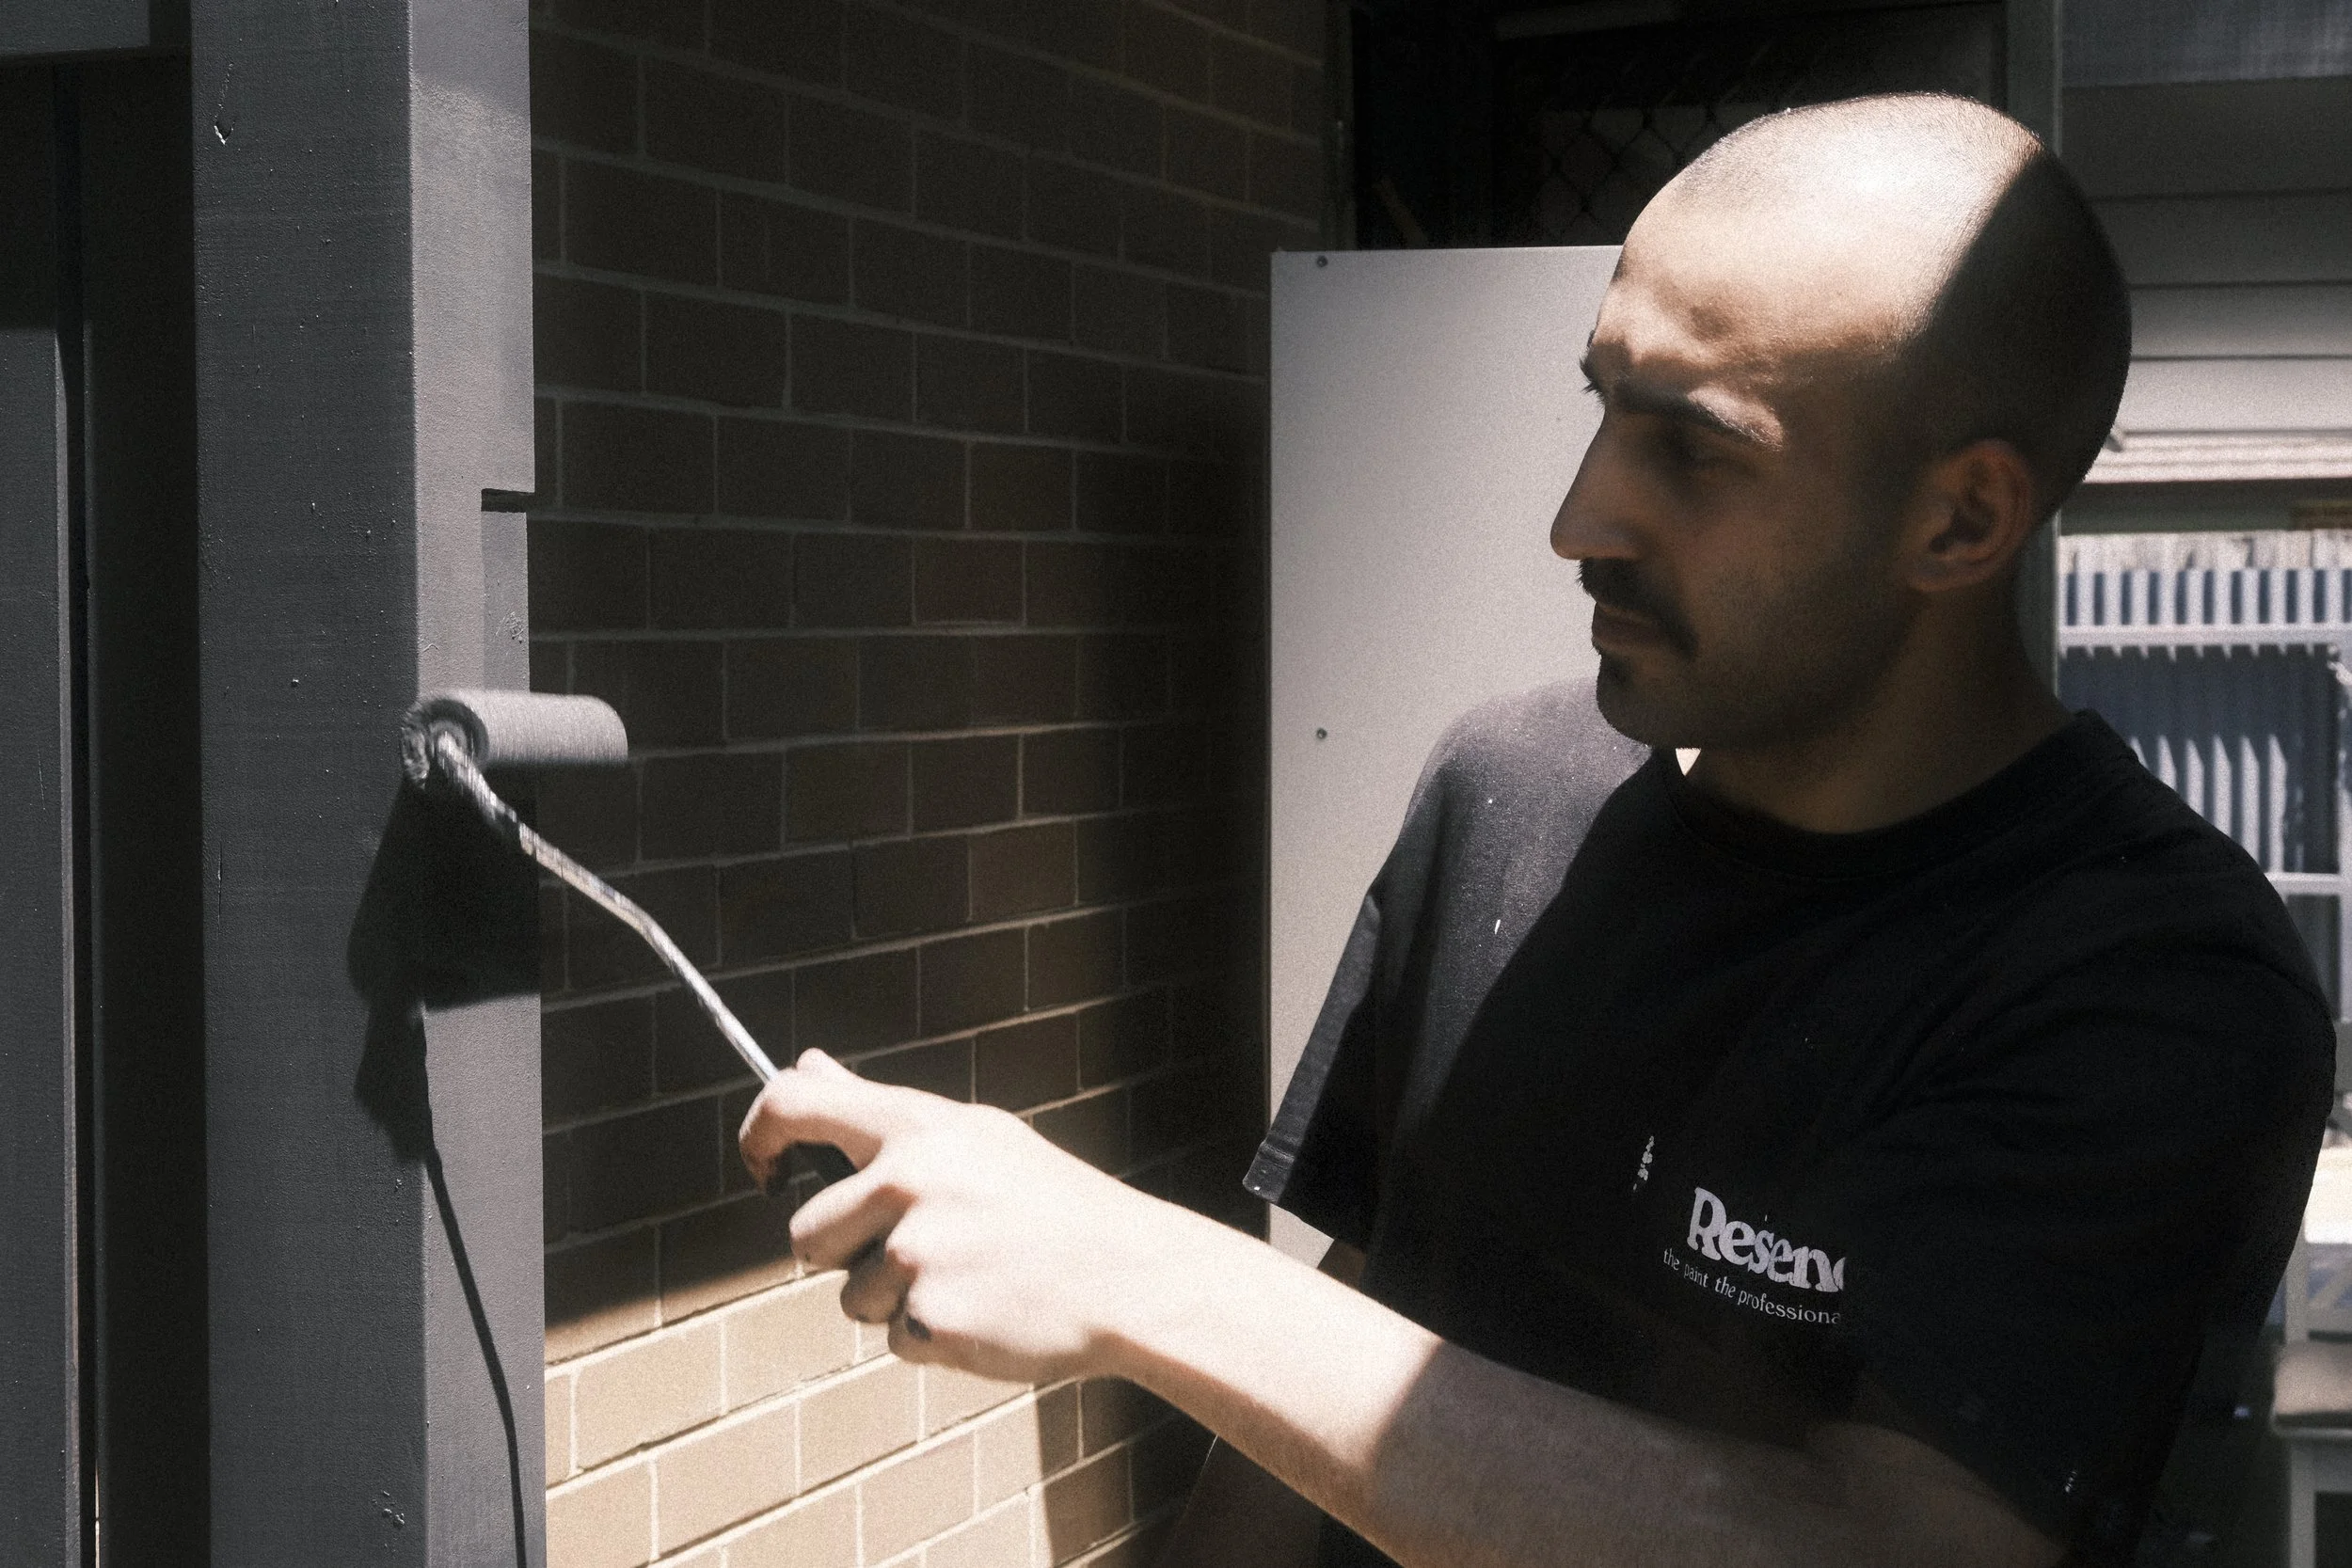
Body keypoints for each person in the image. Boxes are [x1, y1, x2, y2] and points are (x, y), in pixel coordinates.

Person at [738, 93, 2333, 1567]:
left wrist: (1141, 1275)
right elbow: (1373, 1294)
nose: (1579, 517)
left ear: (1962, 518)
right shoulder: (1507, 789)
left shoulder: (2152, 984)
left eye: (1692, 449)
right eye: (1601, 407)